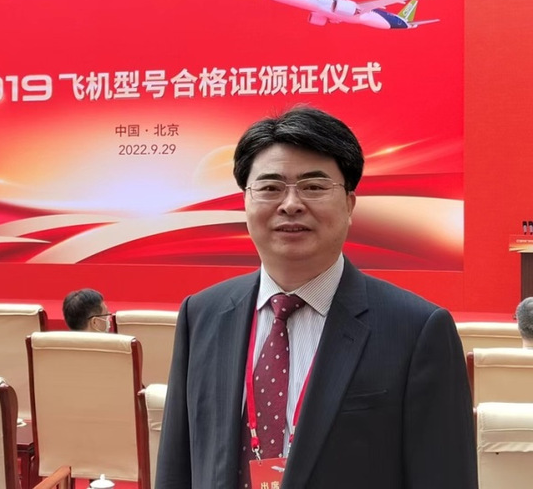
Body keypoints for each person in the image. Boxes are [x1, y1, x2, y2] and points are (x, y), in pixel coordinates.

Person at [155, 106, 477, 489]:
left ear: (350, 204)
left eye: (314, 187)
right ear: (245, 202)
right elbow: (177, 465)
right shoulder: (201, 314)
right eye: (270, 188)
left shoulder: (417, 330)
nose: (291, 204)